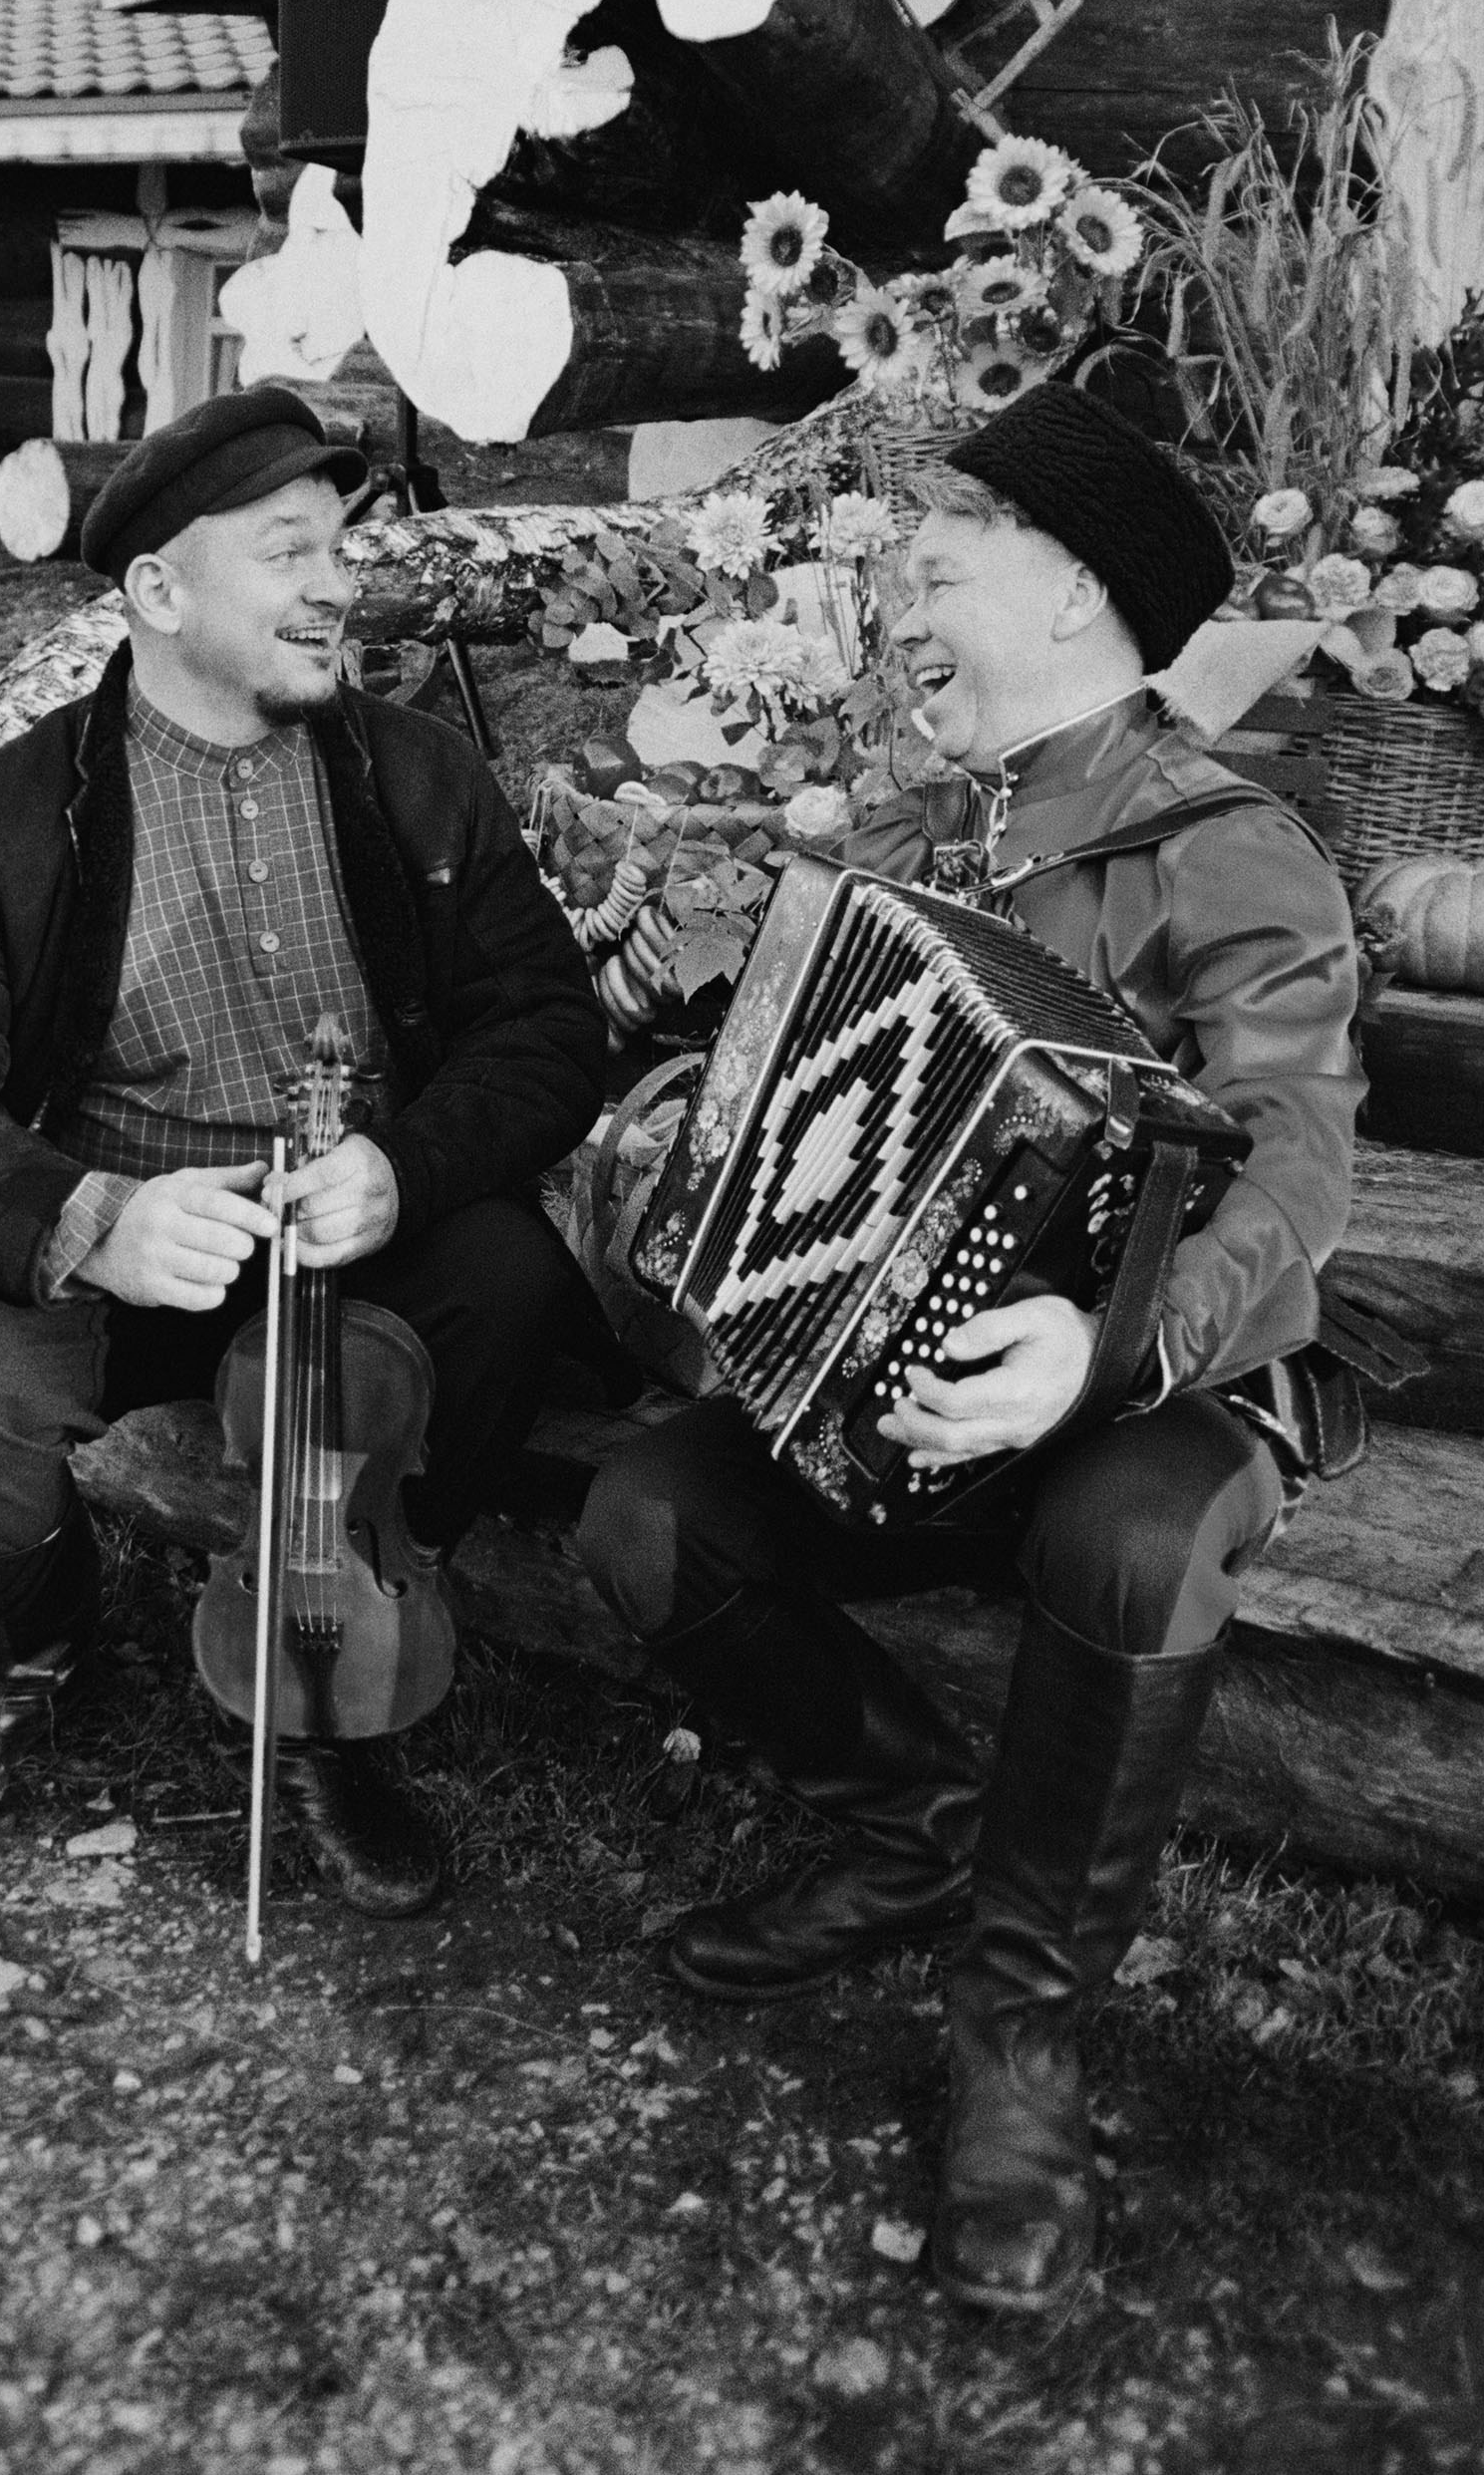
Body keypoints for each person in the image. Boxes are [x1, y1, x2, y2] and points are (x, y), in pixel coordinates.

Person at [578, 383, 1364, 2314]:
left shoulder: (1222, 846)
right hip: (891, 1382)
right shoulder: (926, 833)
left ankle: (1018, 2028)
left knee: (1123, 1540)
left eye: (939, 560)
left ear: (1078, 588)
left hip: (1149, 1394)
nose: (898, 594)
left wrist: (1100, 1350)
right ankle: (902, 1818)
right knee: (637, 1516)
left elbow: (1291, 1149)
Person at [0, 386, 611, 1915]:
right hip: (132, 1235)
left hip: (351, 1232)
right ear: (161, 595)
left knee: (501, 1285)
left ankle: (342, 1667)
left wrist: (406, 1169)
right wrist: (91, 1217)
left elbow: (543, 1029)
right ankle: (26, 1661)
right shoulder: (17, 813)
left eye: (342, 547)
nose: (336, 584)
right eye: (287, 551)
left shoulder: (414, 772)